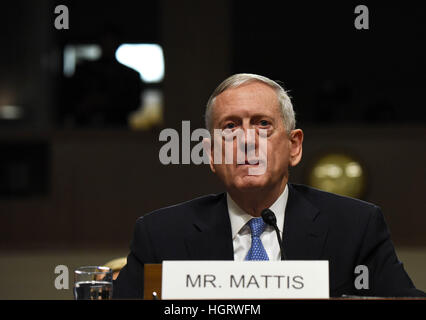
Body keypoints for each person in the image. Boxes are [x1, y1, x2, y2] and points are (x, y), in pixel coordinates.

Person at [113, 73, 425, 298]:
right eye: (230, 127)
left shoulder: (356, 226)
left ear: (294, 146)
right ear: (211, 153)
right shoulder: (160, 235)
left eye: (263, 124)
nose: (247, 140)